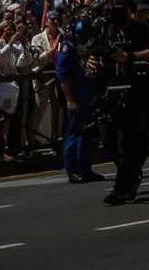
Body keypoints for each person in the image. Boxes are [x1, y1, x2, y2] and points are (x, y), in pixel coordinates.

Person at [100, 0, 149, 205]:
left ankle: (122, 186)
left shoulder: (143, 29)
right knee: (108, 137)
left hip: (139, 89)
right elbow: (92, 50)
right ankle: (129, 174)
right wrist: (91, 60)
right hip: (111, 89)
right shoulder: (106, 29)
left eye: (122, 9)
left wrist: (130, 56)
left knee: (133, 139)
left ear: (130, 11)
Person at [54, 13, 105, 184]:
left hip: (90, 95)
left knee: (88, 133)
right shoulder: (68, 46)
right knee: (74, 133)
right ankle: (73, 170)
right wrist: (70, 98)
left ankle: (86, 168)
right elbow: (62, 75)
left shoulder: (90, 44)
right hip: (76, 96)